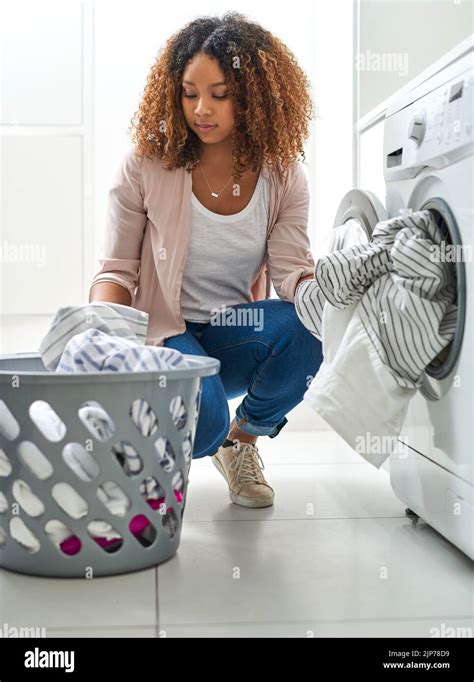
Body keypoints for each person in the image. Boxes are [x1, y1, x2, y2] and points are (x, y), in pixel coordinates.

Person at [89, 11, 323, 509]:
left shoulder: (283, 177)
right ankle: (140, 455)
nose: (202, 109)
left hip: (231, 328)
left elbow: (291, 273)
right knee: (204, 423)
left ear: (253, 96)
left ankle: (243, 443)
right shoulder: (145, 164)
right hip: (164, 331)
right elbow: (116, 270)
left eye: (220, 94)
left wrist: (331, 299)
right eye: (190, 93)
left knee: (306, 328)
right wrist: (99, 333)